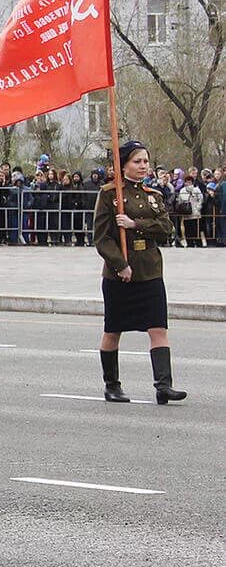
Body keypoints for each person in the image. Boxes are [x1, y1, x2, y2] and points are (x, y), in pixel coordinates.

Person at [94, 140, 185, 404]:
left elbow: (166, 228)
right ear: (123, 165)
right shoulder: (110, 194)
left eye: (145, 161)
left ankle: (163, 386)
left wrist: (135, 223)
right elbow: (102, 238)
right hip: (120, 274)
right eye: (137, 161)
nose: (143, 166)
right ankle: (112, 385)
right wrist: (120, 265)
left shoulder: (153, 195)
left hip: (150, 270)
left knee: (158, 328)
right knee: (113, 330)